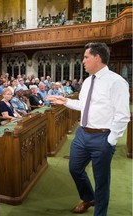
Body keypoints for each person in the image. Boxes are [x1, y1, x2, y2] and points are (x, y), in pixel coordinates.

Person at [46, 42, 130, 216]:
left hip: (102, 137)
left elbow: (123, 115)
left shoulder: (116, 82)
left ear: (97, 58)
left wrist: (111, 140)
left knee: (101, 182)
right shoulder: (88, 81)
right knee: (74, 168)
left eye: (86, 57)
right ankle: (88, 198)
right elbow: (85, 106)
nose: (82, 61)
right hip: (82, 134)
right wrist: (66, 102)